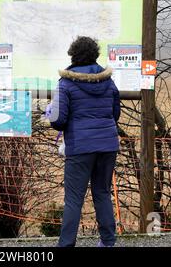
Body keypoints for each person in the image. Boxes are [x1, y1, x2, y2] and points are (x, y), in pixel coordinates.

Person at [47, 36, 120, 247]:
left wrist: (51, 112)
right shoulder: (108, 81)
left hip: (80, 147)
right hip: (108, 145)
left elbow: (58, 121)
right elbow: (115, 114)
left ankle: (66, 244)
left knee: (73, 200)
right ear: (95, 54)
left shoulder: (66, 84)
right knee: (102, 194)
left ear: (73, 55)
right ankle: (107, 242)